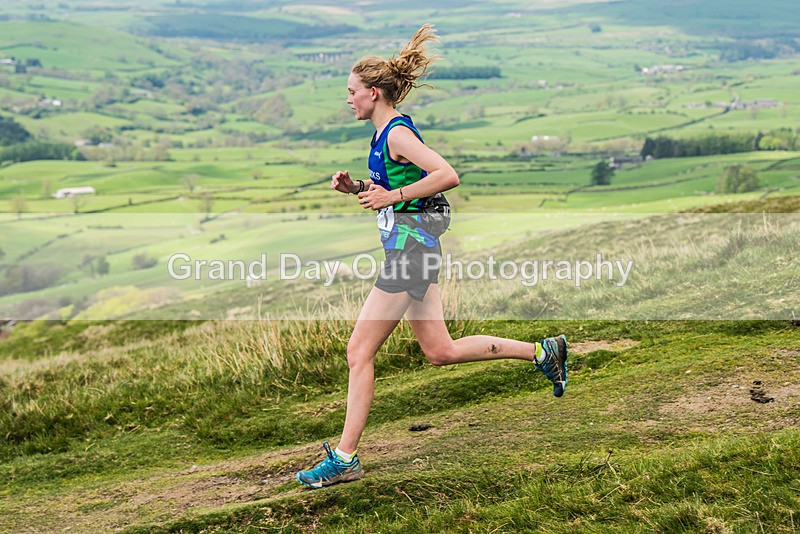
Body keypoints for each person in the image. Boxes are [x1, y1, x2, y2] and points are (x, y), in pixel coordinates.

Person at [296, 24, 568, 489]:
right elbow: (396, 194)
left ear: (374, 93)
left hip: (410, 252)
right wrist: (359, 188)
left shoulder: (397, 134)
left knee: (358, 351)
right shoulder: (383, 135)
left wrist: (390, 195)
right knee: (439, 351)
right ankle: (543, 352)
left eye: (352, 92)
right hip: (416, 249)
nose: (348, 100)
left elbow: (447, 174)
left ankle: (345, 458)